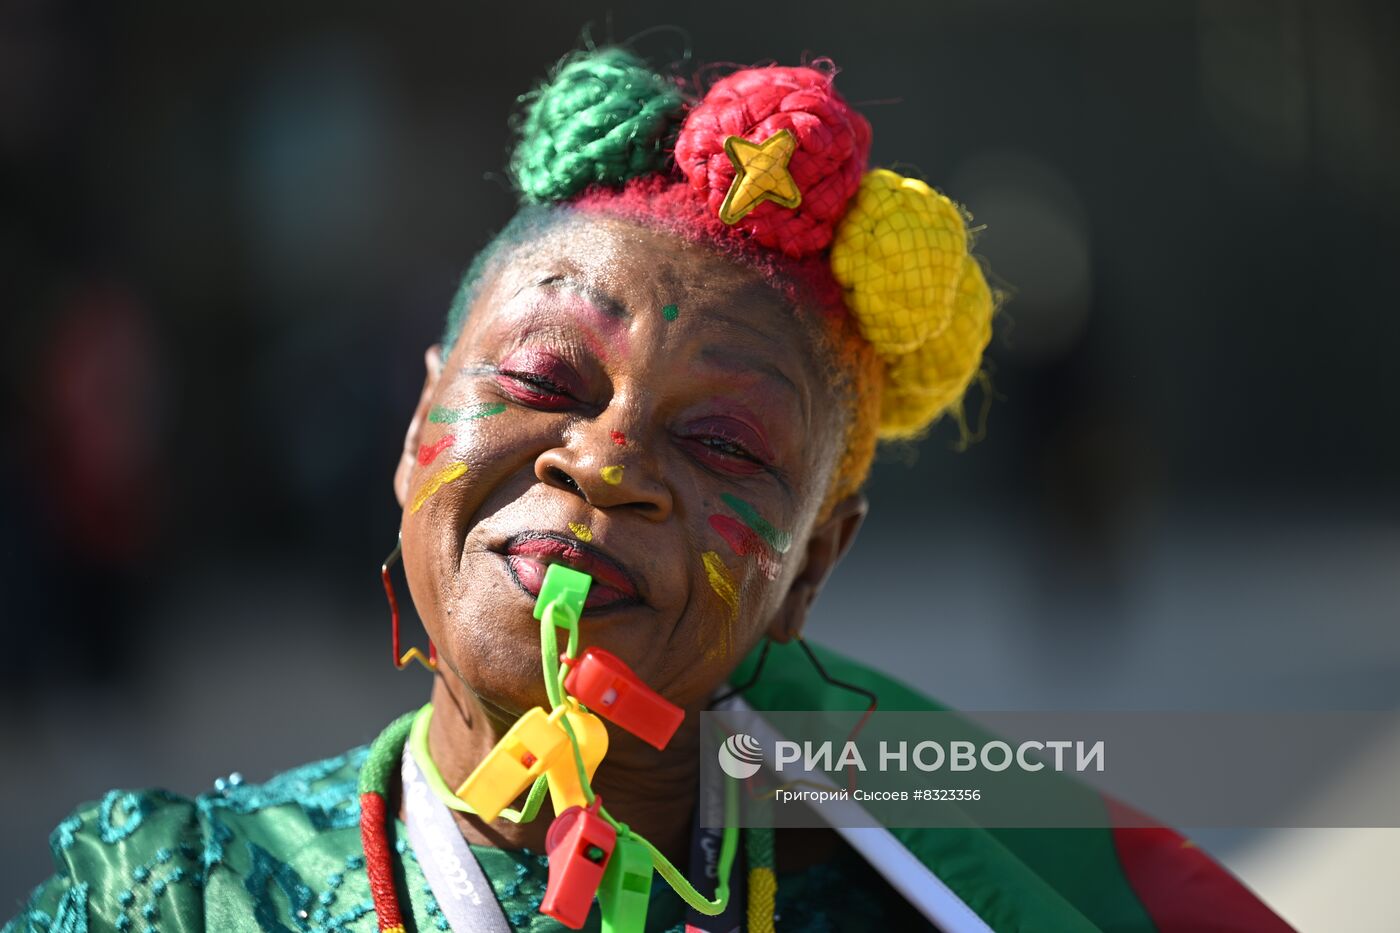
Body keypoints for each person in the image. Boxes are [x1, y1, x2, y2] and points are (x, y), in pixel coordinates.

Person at [4, 46, 1292, 933]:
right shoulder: (164, 890)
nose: (607, 460)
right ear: (417, 424)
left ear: (812, 569)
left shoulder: (909, 903)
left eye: (724, 447)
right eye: (544, 378)